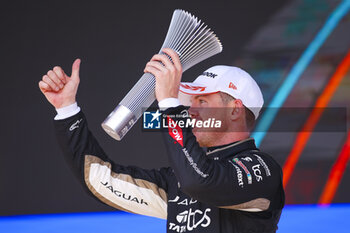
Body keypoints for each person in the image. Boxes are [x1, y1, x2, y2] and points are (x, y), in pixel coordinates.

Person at [39, 48, 285, 233]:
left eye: (202, 102)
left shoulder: (262, 168)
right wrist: (67, 110)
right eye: (189, 104)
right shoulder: (181, 177)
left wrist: (169, 104)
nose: (190, 111)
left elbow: (201, 181)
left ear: (234, 110)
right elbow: (100, 179)